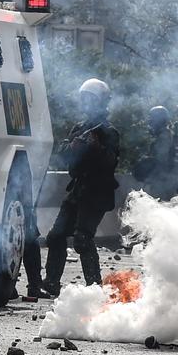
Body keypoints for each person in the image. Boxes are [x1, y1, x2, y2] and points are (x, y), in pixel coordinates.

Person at [42, 79, 120, 297]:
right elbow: (63, 154)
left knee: (82, 239)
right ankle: (51, 282)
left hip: (97, 193)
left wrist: (97, 148)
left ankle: (94, 288)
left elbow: (110, 162)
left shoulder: (109, 132)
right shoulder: (80, 128)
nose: (86, 104)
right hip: (78, 190)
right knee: (56, 236)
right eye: (84, 99)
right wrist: (75, 145)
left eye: (90, 100)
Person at [134, 106, 178, 201]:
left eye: (152, 120)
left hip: (163, 183)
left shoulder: (164, 137)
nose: (150, 123)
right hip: (171, 181)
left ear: (159, 121)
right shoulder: (171, 135)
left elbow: (160, 161)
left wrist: (146, 164)